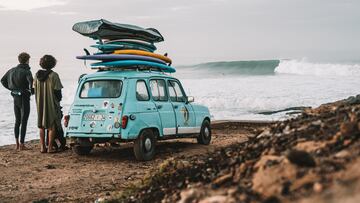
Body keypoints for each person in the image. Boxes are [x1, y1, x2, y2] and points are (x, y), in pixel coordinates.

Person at [1, 52, 33, 150]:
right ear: (27, 60)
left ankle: (17, 144)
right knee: (24, 121)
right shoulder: (27, 71)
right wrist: (31, 92)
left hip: (15, 97)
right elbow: (31, 84)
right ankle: (22, 144)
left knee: (17, 121)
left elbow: (2, 80)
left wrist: (12, 89)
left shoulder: (11, 70)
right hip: (24, 97)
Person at [33, 55, 63, 153]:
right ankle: (50, 148)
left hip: (40, 103)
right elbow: (58, 92)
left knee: (41, 125)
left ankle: (42, 147)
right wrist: (58, 101)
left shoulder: (36, 75)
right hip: (51, 103)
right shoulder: (54, 75)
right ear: (53, 64)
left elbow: (33, 89)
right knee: (52, 125)